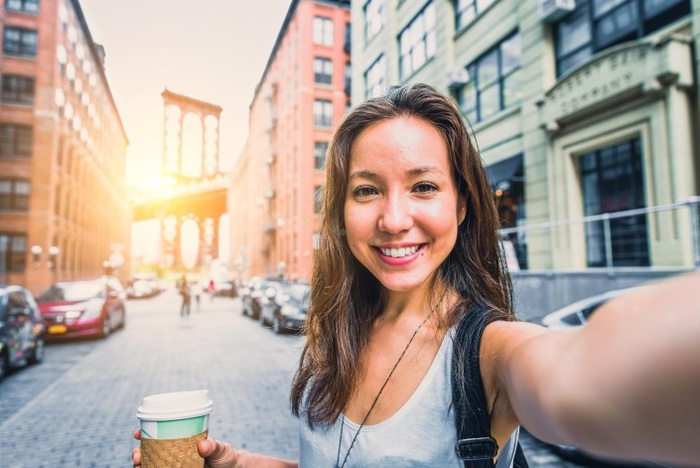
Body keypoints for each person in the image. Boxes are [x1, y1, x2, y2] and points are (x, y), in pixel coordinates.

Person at [132, 83, 700, 467]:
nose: (393, 219)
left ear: (462, 206)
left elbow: (586, 372)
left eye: (424, 186)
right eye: (366, 190)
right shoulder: (336, 331)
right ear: (341, 211)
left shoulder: (490, 352)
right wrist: (242, 464)